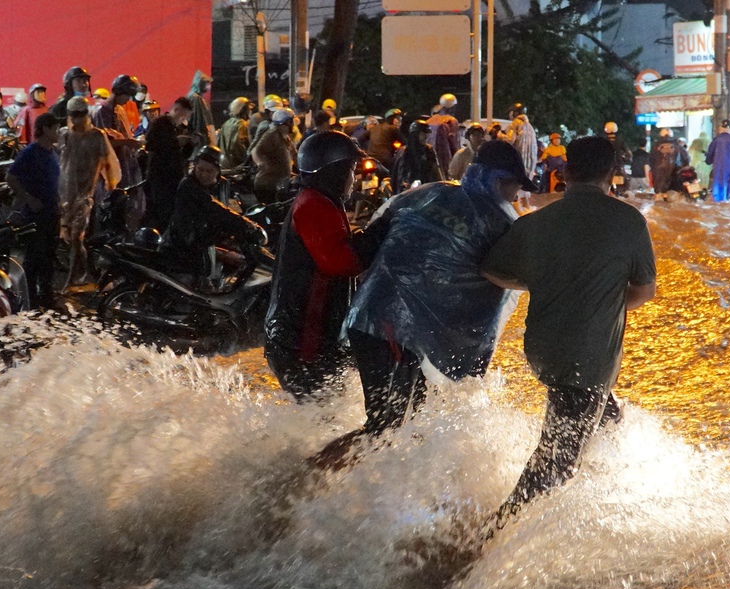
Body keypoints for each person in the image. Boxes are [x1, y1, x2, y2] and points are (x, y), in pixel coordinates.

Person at [316, 140, 536, 468]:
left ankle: (372, 495)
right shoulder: (500, 224)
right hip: (390, 329)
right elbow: (502, 288)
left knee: (409, 420)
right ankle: (305, 479)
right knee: (387, 428)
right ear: (500, 181)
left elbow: (367, 244)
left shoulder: (425, 194)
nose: (516, 197)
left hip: (372, 319)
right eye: (516, 188)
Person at [481, 135, 656, 527]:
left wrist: (546, 283)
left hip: (544, 351)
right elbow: (643, 290)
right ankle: (485, 539)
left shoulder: (535, 223)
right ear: (612, 175)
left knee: (608, 421)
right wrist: (599, 302)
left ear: (564, 173)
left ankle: (599, 498)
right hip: (588, 356)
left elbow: (491, 270)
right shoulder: (629, 221)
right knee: (556, 467)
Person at [264, 131, 383, 402]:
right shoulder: (313, 204)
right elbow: (341, 260)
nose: (354, 178)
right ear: (333, 170)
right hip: (303, 341)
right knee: (321, 417)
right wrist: (379, 232)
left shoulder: (323, 200)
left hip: (314, 337)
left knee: (325, 415)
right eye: (351, 169)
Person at [163, 145, 265, 274]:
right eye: (200, 169)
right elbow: (214, 209)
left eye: (209, 171)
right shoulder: (188, 185)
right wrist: (246, 225)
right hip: (181, 250)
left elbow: (227, 212)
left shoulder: (222, 186)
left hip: (206, 248)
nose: (203, 175)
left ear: (218, 171)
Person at [58, 96, 120, 289]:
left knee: (77, 236)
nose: (77, 119)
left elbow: (109, 162)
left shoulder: (96, 136)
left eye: (80, 114)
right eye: (73, 115)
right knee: (69, 237)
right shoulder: (65, 135)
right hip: (65, 193)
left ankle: (74, 278)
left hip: (85, 193)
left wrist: (111, 184)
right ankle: (85, 273)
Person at [7, 113, 62, 309]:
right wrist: (29, 198)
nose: (58, 132)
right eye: (55, 128)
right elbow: (11, 177)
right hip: (35, 215)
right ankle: (29, 299)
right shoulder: (30, 152)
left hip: (51, 212)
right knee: (34, 258)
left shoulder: (52, 153)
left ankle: (46, 297)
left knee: (49, 257)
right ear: (45, 129)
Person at [93, 75, 146, 228]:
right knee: (111, 207)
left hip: (126, 164)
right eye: (127, 95)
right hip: (110, 169)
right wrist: (127, 142)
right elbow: (103, 143)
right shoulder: (102, 112)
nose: (128, 99)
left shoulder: (120, 110)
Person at [144, 96, 193, 230]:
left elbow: (181, 155)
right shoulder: (159, 123)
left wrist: (190, 144)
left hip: (174, 177)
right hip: (160, 177)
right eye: (183, 117)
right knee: (162, 213)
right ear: (176, 110)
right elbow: (150, 144)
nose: (184, 120)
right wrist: (176, 142)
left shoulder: (178, 128)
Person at [251, 107, 297, 204]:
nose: (293, 124)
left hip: (279, 185)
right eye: (291, 120)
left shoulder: (285, 137)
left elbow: (295, 155)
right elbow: (255, 150)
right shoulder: (272, 135)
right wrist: (260, 162)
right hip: (268, 185)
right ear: (287, 122)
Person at [391, 119, 444, 194]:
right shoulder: (404, 151)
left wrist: (440, 186)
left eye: (427, 134)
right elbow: (399, 176)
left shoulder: (428, 150)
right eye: (423, 134)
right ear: (415, 135)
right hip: (408, 191)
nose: (426, 137)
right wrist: (404, 188)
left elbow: (435, 169)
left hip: (426, 189)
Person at [705, 119, 730, 202]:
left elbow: (710, 155)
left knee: (719, 193)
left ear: (720, 128)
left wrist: (708, 161)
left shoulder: (717, 140)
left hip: (719, 169)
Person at [427, 94, 461, 178]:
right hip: (444, 158)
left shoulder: (429, 121)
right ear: (452, 107)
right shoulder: (452, 121)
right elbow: (454, 142)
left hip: (429, 158)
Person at [649, 128, 690, 195]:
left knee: (660, 198)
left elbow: (651, 160)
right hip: (676, 177)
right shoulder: (678, 145)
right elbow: (686, 159)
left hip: (659, 178)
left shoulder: (655, 146)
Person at [218, 96, 252, 168]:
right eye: (249, 109)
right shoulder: (242, 124)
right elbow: (238, 146)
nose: (250, 111)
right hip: (237, 165)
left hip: (224, 164)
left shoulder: (226, 123)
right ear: (243, 110)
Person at [186, 70, 215, 150]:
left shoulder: (194, 97)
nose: (208, 86)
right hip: (198, 140)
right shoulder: (196, 98)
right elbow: (200, 121)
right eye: (206, 83)